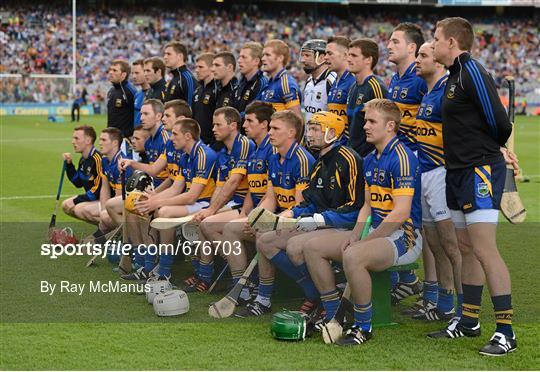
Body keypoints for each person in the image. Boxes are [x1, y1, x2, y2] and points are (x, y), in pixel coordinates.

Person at [429, 17, 516, 357]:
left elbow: (499, 120)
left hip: (478, 169)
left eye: (436, 39)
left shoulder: (471, 71)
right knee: (465, 247)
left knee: (483, 249)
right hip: (457, 173)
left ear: (452, 42)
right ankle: (469, 322)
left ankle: (506, 332)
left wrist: (491, 150)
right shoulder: (453, 76)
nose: (433, 44)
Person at [336, 99, 422, 346]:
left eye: (372, 121)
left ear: (390, 126)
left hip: (405, 237)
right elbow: (366, 206)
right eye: (365, 121)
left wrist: (365, 242)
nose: (365, 126)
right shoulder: (370, 158)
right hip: (377, 232)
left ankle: (363, 326)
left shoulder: (403, 158)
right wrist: (355, 235)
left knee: (354, 257)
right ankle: (332, 312)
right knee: (310, 246)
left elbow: (400, 213)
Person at [269, 111, 363, 325]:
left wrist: (321, 219)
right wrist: (290, 213)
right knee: (266, 240)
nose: (309, 135)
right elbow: (312, 202)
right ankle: (314, 292)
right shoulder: (319, 163)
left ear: (332, 132)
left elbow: (356, 207)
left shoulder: (348, 159)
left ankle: (331, 305)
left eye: (315, 130)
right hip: (324, 221)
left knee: (295, 246)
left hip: (345, 225)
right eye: (309, 129)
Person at [235, 110, 315, 317]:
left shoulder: (302, 159)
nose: (270, 132)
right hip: (283, 217)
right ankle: (244, 288)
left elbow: (300, 206)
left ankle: (264, 298)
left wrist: (269, 223)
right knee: (235, 228)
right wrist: (257, 217)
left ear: (291, 132)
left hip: (304, 221)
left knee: (263, 237)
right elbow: (270, 199)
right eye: (270, 128)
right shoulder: (274, 156)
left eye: (275, 128)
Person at [407, 41, 462, 322]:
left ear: (439, 62)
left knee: (451, 244)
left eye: (423, 55)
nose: (417, 60)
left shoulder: (445, 93)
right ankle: (444, 304)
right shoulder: (428, 94)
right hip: (424, 175)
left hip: (441, 174)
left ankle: (465, 310)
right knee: (435, 243)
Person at [189, 107, 255, 292]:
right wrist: (210, 209)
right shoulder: (222, 152)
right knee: (204, 221)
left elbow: (234, 182)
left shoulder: (244, 144)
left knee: (207, 224)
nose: (213, 129)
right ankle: (206, 275)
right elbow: (220, 187)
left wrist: (211, 211)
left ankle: (241, 278)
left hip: (247, 203)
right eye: (213, 125)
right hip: (232, 203)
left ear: (233, 125)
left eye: (218, 124)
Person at [220, 101, 275, 303]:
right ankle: (242, 285)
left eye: (250, 121)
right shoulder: (255, 149)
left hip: (274, 215)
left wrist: (256, 218)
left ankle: (256, 291)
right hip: (258, 212)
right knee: (227, 229)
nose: (244, 125)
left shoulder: (272, 150)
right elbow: (254, 188)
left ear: (264, 124)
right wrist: (245, 212)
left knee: (231, 230)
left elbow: (272, 195)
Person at [386, 23, 427, 299]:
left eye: (395, 41)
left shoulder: (420, 77)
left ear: (412, 47)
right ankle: (407, 278)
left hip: (418, 160)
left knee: (417, 222)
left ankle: (434, 292)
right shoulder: (395, 79)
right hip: (397, 159)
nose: (388, 45)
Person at [346, 38, 388, 157]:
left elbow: (383, 128)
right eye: (349, 55)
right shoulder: (353, 87)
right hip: (354, 155)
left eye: (354, 55)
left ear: (368, 60)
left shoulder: (376, 87)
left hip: (368, 158)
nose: (348, 59)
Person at [61, 125, 103, 225]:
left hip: (104, 200)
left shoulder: (98, 159)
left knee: (78, 209)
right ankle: (104, 228)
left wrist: (76, 200)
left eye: (76, 138)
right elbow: (78, 183)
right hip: (94, 199)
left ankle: (112, 229)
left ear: (88, 140)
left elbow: (96, 191)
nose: (73, 142)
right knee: (65, 205)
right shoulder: (83, 159)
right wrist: (69, 165)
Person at [94, 127, 128, 242]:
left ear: (114, 143)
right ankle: (102, 238)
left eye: (103, 140)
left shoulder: (122, 162)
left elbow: (119, 196)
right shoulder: (104, 160)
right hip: (116, 205)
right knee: (100, 215)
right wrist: (104, 210)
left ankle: (129, 235)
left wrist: (105, 214)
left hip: (128, 205)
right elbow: (105, 188)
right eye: (100, 140)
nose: (99, 143)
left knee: (104, 216)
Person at [260, 39, 302, 118]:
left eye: (267, 55)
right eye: (263, 55)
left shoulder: (286, 84)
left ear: (280, 58)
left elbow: (297, 120)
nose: (263, 58)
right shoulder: (269, 82)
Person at [325, 36, 355, 141]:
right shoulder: (334, 82)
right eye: (325, 53)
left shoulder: (353, 82)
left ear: (345, 55)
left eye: (330, 53)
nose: (325, 57)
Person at [300, 39, 336, 122]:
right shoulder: (309, 81)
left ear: (322, 58)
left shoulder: (332, 81)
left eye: (307, 55)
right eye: (302, 56)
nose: (303, 60)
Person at [234, 42, 268, 119]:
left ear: (256, 61)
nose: (239, 60)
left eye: (244, 57)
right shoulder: (240, 82)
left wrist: (232, 119)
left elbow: (254, 113)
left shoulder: (262, 83)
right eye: (239, 57)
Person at [192, 53, 218, 148]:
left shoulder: (217, 89)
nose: (197, 70)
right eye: (196, 67)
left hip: (211, 143)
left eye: (201, 67)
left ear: (212, 68)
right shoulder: (198, 89)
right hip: (197, 141)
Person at [107, 59, 137, 138]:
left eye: (114, 70)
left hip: (124, 139)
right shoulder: (111, 91)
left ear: (123, 75)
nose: (110, 72)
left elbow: (137, 115)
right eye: (110, 70)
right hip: (111, 137)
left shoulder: (130, 91)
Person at [163, 41, 196, 105]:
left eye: (168, 54)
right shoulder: (175, 77)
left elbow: (191, 107)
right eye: (165, 54)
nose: (165, 57)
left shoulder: (187, 78)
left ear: (180, 56)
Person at [132, 59, 150, 128]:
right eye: (132, 73)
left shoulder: (154, 93)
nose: (134, 76)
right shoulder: (137, 94)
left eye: (137, 73)